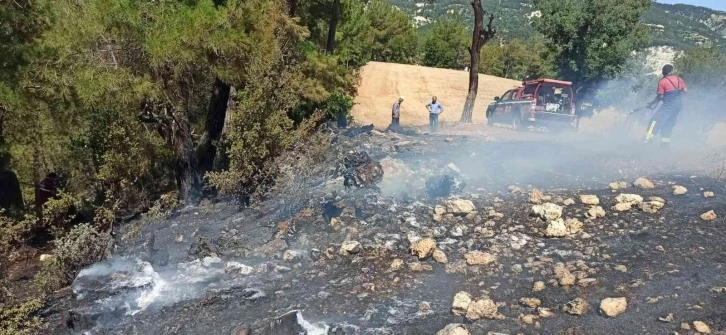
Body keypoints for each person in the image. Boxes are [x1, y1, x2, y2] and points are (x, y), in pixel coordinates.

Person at [644, 64, 687, 147]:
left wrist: (652, 103)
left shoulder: (662, 81)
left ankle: (647, 141)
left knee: (654, 121)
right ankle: (665, 146)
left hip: (669, 106)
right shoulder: (678, 79)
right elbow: (685, 90)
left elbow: (660, 96)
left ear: (663, 72)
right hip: (677, 107)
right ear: (671, 71)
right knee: (668, 124)